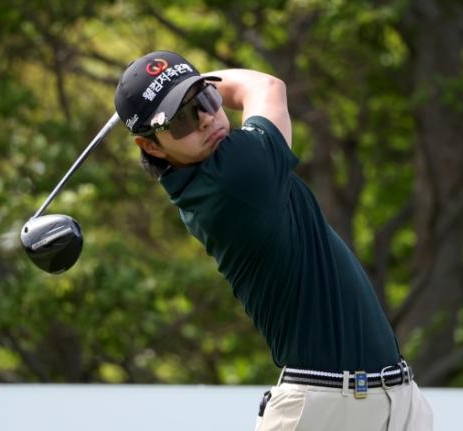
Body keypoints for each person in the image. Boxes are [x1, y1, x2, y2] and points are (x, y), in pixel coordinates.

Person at [114, 50, 433, 431]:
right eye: (182, 119)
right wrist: (193, 80)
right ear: (151, 146)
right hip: (324, 407)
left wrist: (173, 86)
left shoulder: (207, 178)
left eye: (206, 98)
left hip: (394, 398)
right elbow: (264, 86)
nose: (206, 119)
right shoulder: (235, 174)